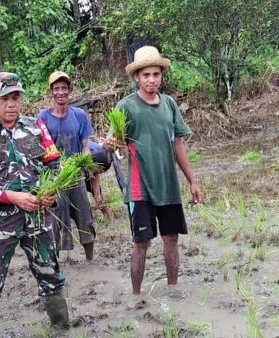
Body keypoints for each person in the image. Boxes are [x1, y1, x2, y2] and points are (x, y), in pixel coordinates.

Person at [0, 72, 71, 338]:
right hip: (1, 224)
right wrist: (12, 196)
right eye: (4, 98)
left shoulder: (35, 128)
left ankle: (62, 328)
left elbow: (53, 164)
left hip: (37, 220)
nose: (11, 104)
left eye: (16, 97)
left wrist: (50, 191)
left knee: (50, 273)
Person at [104, 46, 203, 296]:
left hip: (168, 188)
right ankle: (136, 297)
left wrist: (192, 180)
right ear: (136, 77)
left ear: (161, 76)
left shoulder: (169, 104)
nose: (151, 80)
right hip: (139, 190)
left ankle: (173, 290)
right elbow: (113, 141)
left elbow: (177, 144)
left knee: (171, 240)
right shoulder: (125, 106)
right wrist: (110, 144)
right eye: (146, 75)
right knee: (142, 244)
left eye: (156, 75)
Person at [36, 71, 99, 260]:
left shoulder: (79, 115)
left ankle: (90, 259)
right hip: (54, 178)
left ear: (70, 91)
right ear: (51, 93)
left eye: (64, 88)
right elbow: (39, 150)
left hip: (76, 176)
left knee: (85, 216)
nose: (61, 92)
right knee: (56, 219)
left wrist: (84, 163)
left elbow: (85, 145)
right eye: (57, 89)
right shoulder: (42, 118)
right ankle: (57, 263)